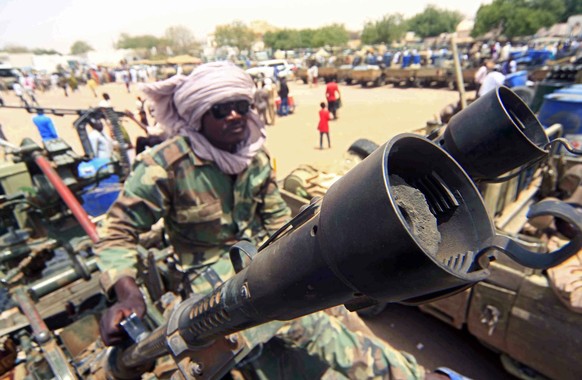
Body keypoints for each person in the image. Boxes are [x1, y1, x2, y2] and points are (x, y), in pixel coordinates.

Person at [95, 61, 451, 379]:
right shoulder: (165, 166)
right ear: (199, 115)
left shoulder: (256, 158)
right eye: (221, 109)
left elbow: (278, 221)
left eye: (241, 106)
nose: (235, 116)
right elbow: (116, 232)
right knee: (308, 326)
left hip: (262, 261)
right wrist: (126, 293)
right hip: (208, 286)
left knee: (339, 311)